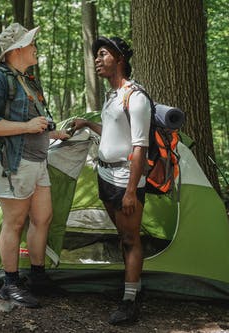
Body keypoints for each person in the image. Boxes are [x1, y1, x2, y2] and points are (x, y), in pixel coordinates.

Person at [0, 23, 69, 308]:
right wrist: (27, 125)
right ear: (17, 50)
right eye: (31, 43)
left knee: (43, 218)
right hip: (11, 162)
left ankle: (37, 277)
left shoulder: (28, 80)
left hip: (36, 160)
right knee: (14, 222)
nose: (35, 47)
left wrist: (53, 133)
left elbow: (32, 125)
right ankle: (10, 284)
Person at [71, 36, 151, 325]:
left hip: (124, 178)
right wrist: (88, 124)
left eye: (102, 54)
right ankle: (134, 287)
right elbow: (114, 131)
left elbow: (140, 146)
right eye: (96, 55)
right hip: (104, 174)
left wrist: (131, 190)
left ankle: (130, 302)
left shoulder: (136, 97)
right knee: (122, 236)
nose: (97, 59)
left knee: (130, 238)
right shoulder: (111, 96)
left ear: (119, 59)